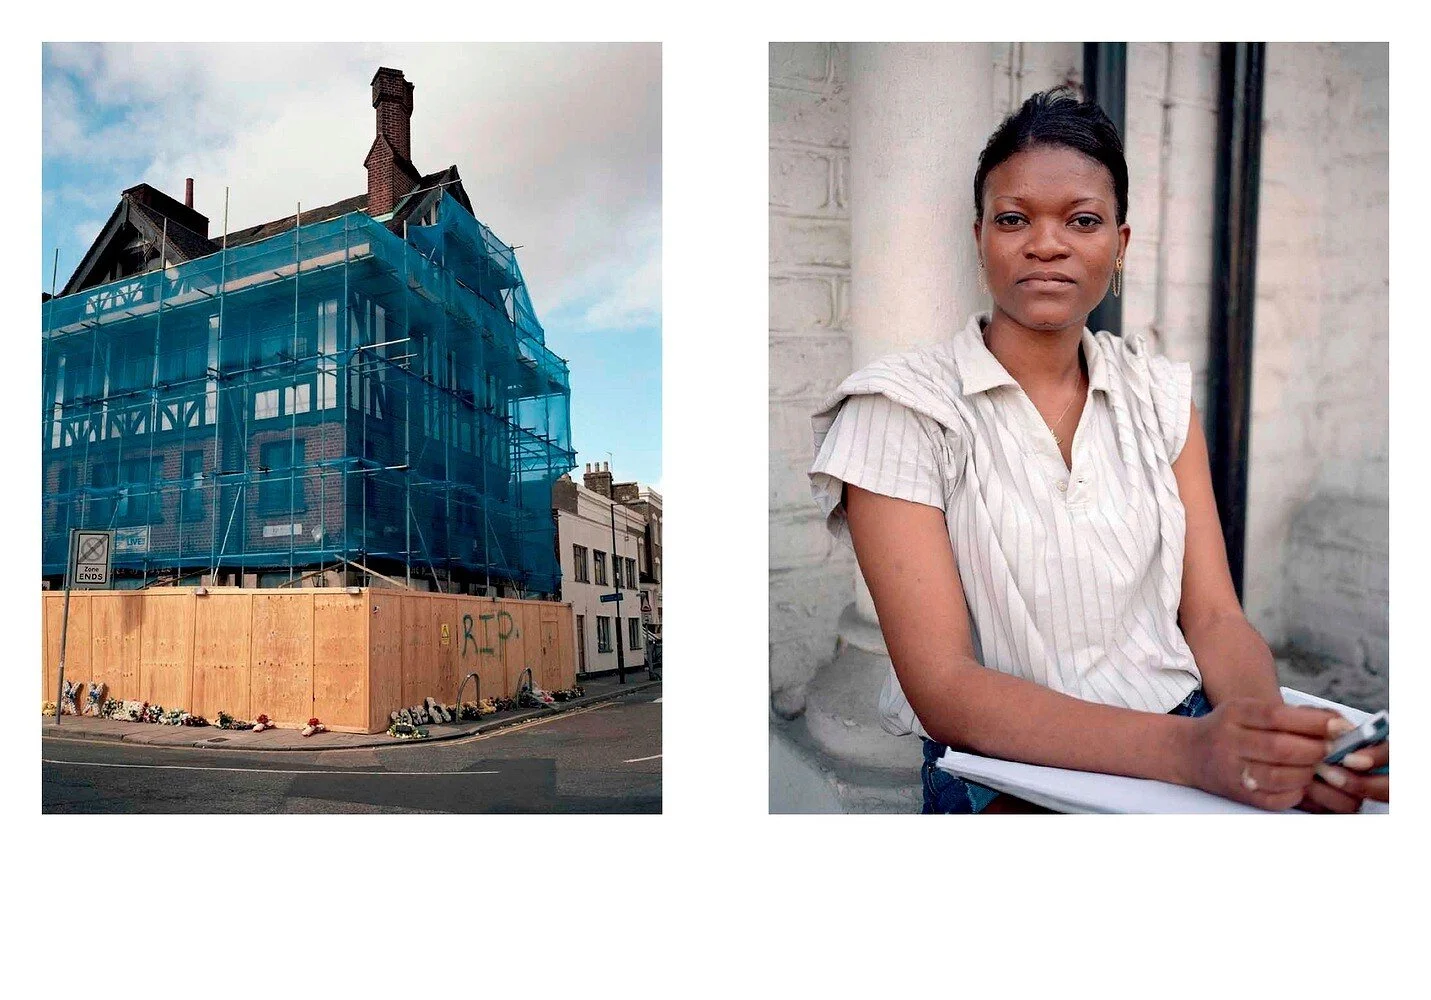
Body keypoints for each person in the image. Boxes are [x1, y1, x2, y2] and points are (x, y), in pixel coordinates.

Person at [808, 88, 1389, 814]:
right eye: (1013, 218)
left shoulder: (1159, 396)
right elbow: (945, 691)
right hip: (1010, 781)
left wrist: (1260, 741)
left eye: (1081, 220)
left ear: (1118, 244)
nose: (1045, 243)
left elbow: (1213, 617)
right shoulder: (900, 409)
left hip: (1188, 740)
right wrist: (1195, 755)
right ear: (979, 237)